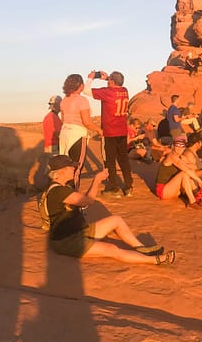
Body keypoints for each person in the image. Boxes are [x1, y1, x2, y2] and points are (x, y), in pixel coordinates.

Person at [41, 155, 175, 264]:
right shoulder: (58, 191)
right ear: (61, 171)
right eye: (71, 167)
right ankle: (154, 260)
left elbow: (83, 201)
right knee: (112, 249)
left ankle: (143, 249)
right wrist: (97, 180)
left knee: (116, 220)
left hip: (80, 230)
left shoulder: (62, 187)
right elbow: (88, 201)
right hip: (67, 241)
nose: (74, 169)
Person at [87, 71, 133, 197]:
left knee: (110, 161)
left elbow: (86, 91)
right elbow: (116, 84)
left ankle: (114, 187)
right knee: (123, 159)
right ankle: (129, 186)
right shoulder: (125, 90)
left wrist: (91, 78)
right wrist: (107, 78)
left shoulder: (108, 92)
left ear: (112, 82)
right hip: (122, 131)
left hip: (110, 132)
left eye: (109, 81)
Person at [57, 74, 97, 164]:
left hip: (64, 133)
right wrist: (99, 130)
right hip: (77, 135)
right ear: (81, 85)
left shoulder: (64, 100)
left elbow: (63, 120)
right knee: (76, 166)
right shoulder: (82, 100)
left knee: (63, 166)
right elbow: (87, 122)